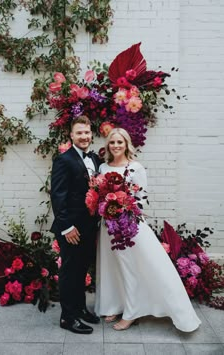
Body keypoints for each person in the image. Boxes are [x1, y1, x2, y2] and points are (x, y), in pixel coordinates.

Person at [94, 127, 201, 332]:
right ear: (107, 145)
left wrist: (122, 208)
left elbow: (140, 200)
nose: (116, 145)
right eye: (112, 142)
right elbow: (99, 196)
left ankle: (132, 313)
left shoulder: (136, 168)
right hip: (108, 226)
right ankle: (115, 304)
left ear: (126, 144)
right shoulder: (103, 169)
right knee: (111, 267)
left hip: (129, 227)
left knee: (130, 267)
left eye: (120, 142)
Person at [50, 115, 101, 334]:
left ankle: (79, 308)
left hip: (89, 227)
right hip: (71, 228)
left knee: (81, 271)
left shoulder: (95, 159)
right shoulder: (64, 160)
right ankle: (67, 318)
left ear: (91, 134)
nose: (84, 136)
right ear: (71, 135)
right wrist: (67, 227)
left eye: (87, 132)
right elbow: (58, 196)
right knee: (70, 272)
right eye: (79, 132)